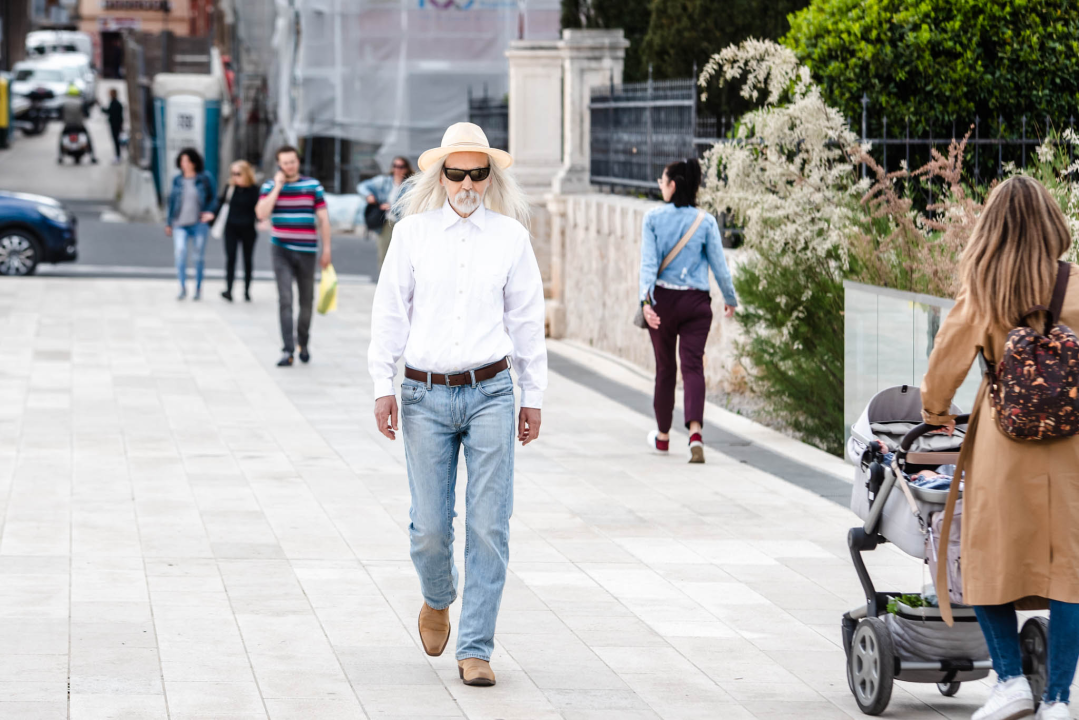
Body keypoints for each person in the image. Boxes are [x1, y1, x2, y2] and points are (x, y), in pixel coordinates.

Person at [368, 122, 546, 688]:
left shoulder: (511, 239)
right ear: (439, 176)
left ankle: (476, 647)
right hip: (423, 394)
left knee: (490, 526)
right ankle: (437, 596)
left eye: (478, 172)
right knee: (428, 528)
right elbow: (390, 314)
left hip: (492, 391)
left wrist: (533, 397)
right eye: (456, 173)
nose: (467, 183)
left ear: (490, 176)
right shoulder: (412, 234)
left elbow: (527, 323)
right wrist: (382, 385)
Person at [921, 176, 1079, 720]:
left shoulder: (983, 289)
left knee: (985, 556)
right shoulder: (1075, 285)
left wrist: (936, 415)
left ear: (993, 228)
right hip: (1072, 447)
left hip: (1002, 444)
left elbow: (945, 365)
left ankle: (1009, 679)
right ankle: (1058, 700)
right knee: (1070, 568)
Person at [639, 158, 737, 464]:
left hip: (664, 303)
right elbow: (720, 267)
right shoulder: (705, 221)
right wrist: (730, 298)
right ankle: (695, 434)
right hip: (696, 304)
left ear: (672, 185)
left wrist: (645, 302)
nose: (660, 185)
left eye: (662, 180)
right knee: (693, 366)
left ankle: (664, 436)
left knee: (665, 369)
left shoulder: (653, 218)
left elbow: (648, 265)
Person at [255, 145, 332, 367]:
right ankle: (288, 350)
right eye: (285, 162)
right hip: (281, 250)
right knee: (285, 300)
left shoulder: (312, 185)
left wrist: (326, 249)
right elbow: (261, 213)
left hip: (307, 251)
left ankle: (303, 343)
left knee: (306, 301)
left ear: (298, 162)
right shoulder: (270, 186)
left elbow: (324, 220)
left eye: (292, 161)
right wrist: (278, 186)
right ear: (279, 164)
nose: (289, 165)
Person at [165, 147, 216, 300]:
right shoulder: (177, 180)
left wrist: (209, 212)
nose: (184, 164)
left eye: (187, 161)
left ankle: (198, 289)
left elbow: (213, 198)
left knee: (198, 256)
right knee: (180, 253)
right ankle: (182, 287)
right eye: (182, 161)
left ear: (194, 162)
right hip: (180, 223)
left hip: (199, 223)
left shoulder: (205, 178)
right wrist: (169, 223)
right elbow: (172, 202)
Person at [214, 160, 260, 302]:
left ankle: (246, 291)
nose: (235, 176)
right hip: (231, 228)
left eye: (238, 173)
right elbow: (220, 204)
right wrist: (211, 216)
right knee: (230, 259)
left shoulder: (254, 189)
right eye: (233, 173)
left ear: (246, 174)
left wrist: (261, 220)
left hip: (248, 229)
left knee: (247, 260)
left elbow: (258, 210)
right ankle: (229, 290)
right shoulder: (230, 187)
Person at [357, 156, 414, 270]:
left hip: (402, 223)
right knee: (384, 255)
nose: (397, 169)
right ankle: (384, 285)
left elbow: (409, 206)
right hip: (385, 222)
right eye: (395, 166)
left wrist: (391, 207)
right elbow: (362, 186)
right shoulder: (384, 181)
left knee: (402, 257)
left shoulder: (410, 185)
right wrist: (369, 195)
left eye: (401, 166)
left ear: (406, 168)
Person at [57, 84, 96, 164]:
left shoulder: (64, 103)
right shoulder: (81, 102)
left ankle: (60, 157)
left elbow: (60, 115)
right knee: (88, 138)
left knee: (61, 138)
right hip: (79, 125)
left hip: (68, 126)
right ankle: (92, 157)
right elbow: (87, 114)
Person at [105, 88, 124, 164]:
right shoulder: (115, 103)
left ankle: (118, 156)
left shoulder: (115, 103)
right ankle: (118, 155)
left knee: (116, 141)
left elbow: (110, 112)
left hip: (115, 125)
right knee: (116, 140)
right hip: (116, 124)